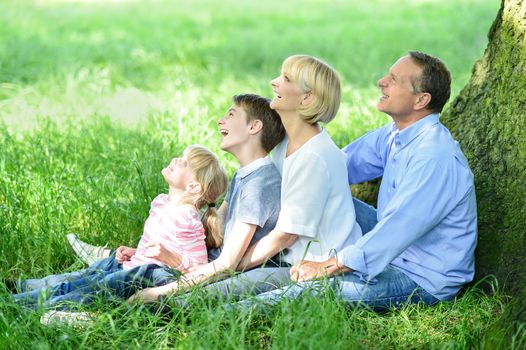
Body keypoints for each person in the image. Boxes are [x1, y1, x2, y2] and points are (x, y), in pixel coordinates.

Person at [240, 51, 478, 311]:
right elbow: (336, 167)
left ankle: (228, 311)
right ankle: (245, 248)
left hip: (419, 276)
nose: (381, 81)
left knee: (313, 292)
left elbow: (394, 233)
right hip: (392, 243)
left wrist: (326, 267)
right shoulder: (397, 135)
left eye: (394, 80)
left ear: (421, 100)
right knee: (313, 197)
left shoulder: (434, 158)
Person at [129, 54, 362, 304]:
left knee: (190, 301)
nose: (274, 82)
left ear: (307, 97)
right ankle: (122, 265)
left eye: (285, 78)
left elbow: (284, 236)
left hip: (309, 267)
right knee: (186, 273)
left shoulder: (313, 157)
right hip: (283, 256)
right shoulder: (287, 143)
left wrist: (227, 266)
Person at [37, 93, 287, 323]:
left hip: (192, 273)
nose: (221, 120)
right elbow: (212, 226)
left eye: (231, 115)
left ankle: (84, 317)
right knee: (94, 276)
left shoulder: (260, 185)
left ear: (254, 127)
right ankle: (25, 292)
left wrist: (160, 290)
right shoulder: (245, 175)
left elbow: (227, 263)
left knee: (112, 283)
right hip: (185, 265)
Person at [11, 144, 228, 310]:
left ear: (193, 186)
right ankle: (15, 289)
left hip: (150, 275)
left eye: (184, 162)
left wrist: (169, 257)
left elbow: (199, 267)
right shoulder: (162, 201)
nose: (176, 159)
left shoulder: (188, 219)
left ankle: (22, 307)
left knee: (88, 291)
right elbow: (157, 246)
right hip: (133, 264)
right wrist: (137, 252)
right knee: (80, 278)